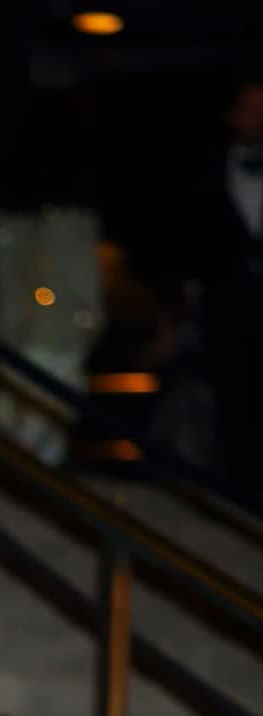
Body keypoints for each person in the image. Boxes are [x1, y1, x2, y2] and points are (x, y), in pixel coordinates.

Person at [182, 77, 263, 497]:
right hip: (228, 315)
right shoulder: (206, 172)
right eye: (252, 108)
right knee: (231, 410)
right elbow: (191, 242)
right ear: (232, 115)